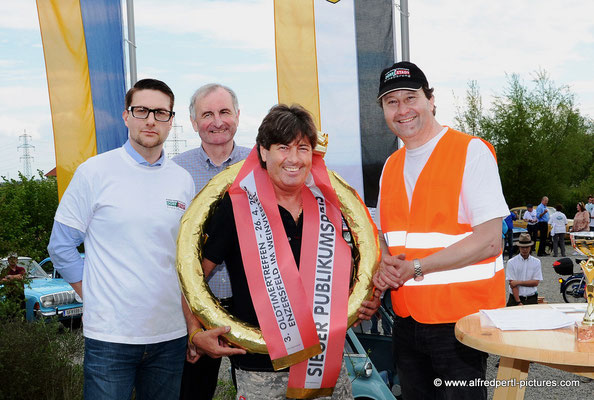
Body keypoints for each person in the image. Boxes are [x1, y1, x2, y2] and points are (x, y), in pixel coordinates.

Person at [184, 104, 380, 399]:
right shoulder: (237, 206)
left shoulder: (330, 203)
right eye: (282, 147)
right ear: (263, 151)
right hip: (260, 369)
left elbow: (362, 267)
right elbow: (192, 276)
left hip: (326, 363)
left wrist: (368, 299)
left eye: (302, 148)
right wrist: (195, 332)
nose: (293, 159)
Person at [47, 79, 196, 400]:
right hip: (110, 337)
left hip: (169, 338)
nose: (151, 120)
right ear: (126, 116)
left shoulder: (182, 181)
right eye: (142, 110)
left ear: (172, 120)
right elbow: (60, 245)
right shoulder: (95, 172)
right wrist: (91, 294)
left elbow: (186, 258)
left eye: (161, 112)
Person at [371, 61, 508, 400]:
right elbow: (385, 238)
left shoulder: (470, 151)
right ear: (384, 110)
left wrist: (416, 267)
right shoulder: (391, 165)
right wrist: (382, 264)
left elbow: (490, 241)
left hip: (460, 323)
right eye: (392, 102)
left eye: (410, 97)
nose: (402, 109)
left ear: (430, 100)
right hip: (406, 321)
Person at [172, 84, 250, 400]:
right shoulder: (175, 171)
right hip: (196, 310)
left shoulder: (260, 164)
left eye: (224, 112)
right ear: (193, 122)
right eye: (207, 114)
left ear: (238, 116)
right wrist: (191, 328)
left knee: (257, 390)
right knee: (192, 393)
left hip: (252, 306)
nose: (217, 121)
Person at [506, 233, 542, 306]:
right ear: (519, 247)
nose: (525, 249)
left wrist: (518, 282)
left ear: (530, 247)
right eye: (522, 247)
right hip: (515, 299)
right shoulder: (511, 262)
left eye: (527, 247)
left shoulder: (537, 262)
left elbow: (536, 283)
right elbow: (513, 284)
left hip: (531, 298)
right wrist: (518, 302)